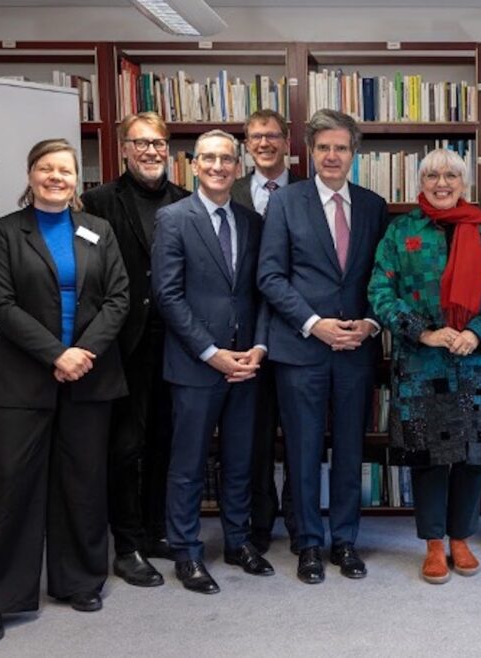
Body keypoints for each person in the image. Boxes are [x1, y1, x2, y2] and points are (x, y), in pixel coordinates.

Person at [0, 139, 129, 643]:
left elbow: (118, 298)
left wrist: (82, 352)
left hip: (90, 374)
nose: (57, 177)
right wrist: (55, 354)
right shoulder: (5, 231)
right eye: (47, 168)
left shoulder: (98, 231)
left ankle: (80, 581)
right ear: (31, 174)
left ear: (75, 180)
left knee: (82, 481)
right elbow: (0, 304)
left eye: (65, 170)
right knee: (10, 483)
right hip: (24, 378)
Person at [368, 148, 481, 584]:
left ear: (464, 182)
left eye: (451, 175)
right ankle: (434, 543)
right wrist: (423, 332)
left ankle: (461, 538)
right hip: (422, 363)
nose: (441, 182)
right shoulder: (401, 231)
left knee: (473, 455)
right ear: (421, 181)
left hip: (475, 361)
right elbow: (380, 291)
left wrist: (478, 332)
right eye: (432, 175)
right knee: (429, 456)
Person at [257, 109, 387, 584]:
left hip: (356, 350)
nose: (332, 156)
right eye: (324, 147)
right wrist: (315, 324)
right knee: (304, 449)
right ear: (311, 153)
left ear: (355, 153)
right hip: (301, 349)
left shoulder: (374, 206)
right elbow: (270, 276)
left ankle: (346, 540)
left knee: (351, 449)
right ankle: (309, 542)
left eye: (341, 147)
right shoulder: (286, 203)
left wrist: (371, 323)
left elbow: (384, 277)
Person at [151, 130, 273, 594]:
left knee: (241, 459)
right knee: (189, 463)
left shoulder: (251, 220)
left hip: (246, 363)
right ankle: (186, 551)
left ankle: (238, 541)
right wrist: (211, 352)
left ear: (237, 164)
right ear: (194, 164)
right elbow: (167, 295)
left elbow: (261, 290)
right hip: (196, 364)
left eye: (226, 158)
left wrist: (258, 348)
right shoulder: (174, 218)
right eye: (209, 158)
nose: (219, 166)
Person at [82, 111, 190, 587]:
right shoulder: (97, 201)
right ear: (125, 148)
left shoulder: (187, 202)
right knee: (125, 445)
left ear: (169, 150)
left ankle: (154, 530)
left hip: (176, 342)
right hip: (121, 343)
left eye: (159, 143)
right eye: (141, 143)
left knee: (166, 440)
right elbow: (88, 276)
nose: (151, 151)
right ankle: (125, 544)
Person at [231, 109, 303, 555]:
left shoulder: (307, 190)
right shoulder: (230, 191)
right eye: (256, 136)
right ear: (246, 142)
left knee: (300, 434)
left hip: (297, 328)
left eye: (273, 135)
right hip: (243, 334)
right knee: (254, 435)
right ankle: (259, 522)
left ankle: (299, 520)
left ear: (287, 140)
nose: (264, 143)